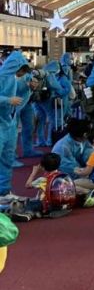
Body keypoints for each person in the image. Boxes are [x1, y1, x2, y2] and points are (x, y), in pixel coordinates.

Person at [0, 51, 29, 201]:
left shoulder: (13, 78)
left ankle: (4, 192)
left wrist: (29, 88)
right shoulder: (1, 77)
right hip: (2, 124)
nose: (22, 74)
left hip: (9, 123)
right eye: (22, 70)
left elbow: (20, 98)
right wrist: (7, 100)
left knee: (7, 159)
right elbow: (10, 99)